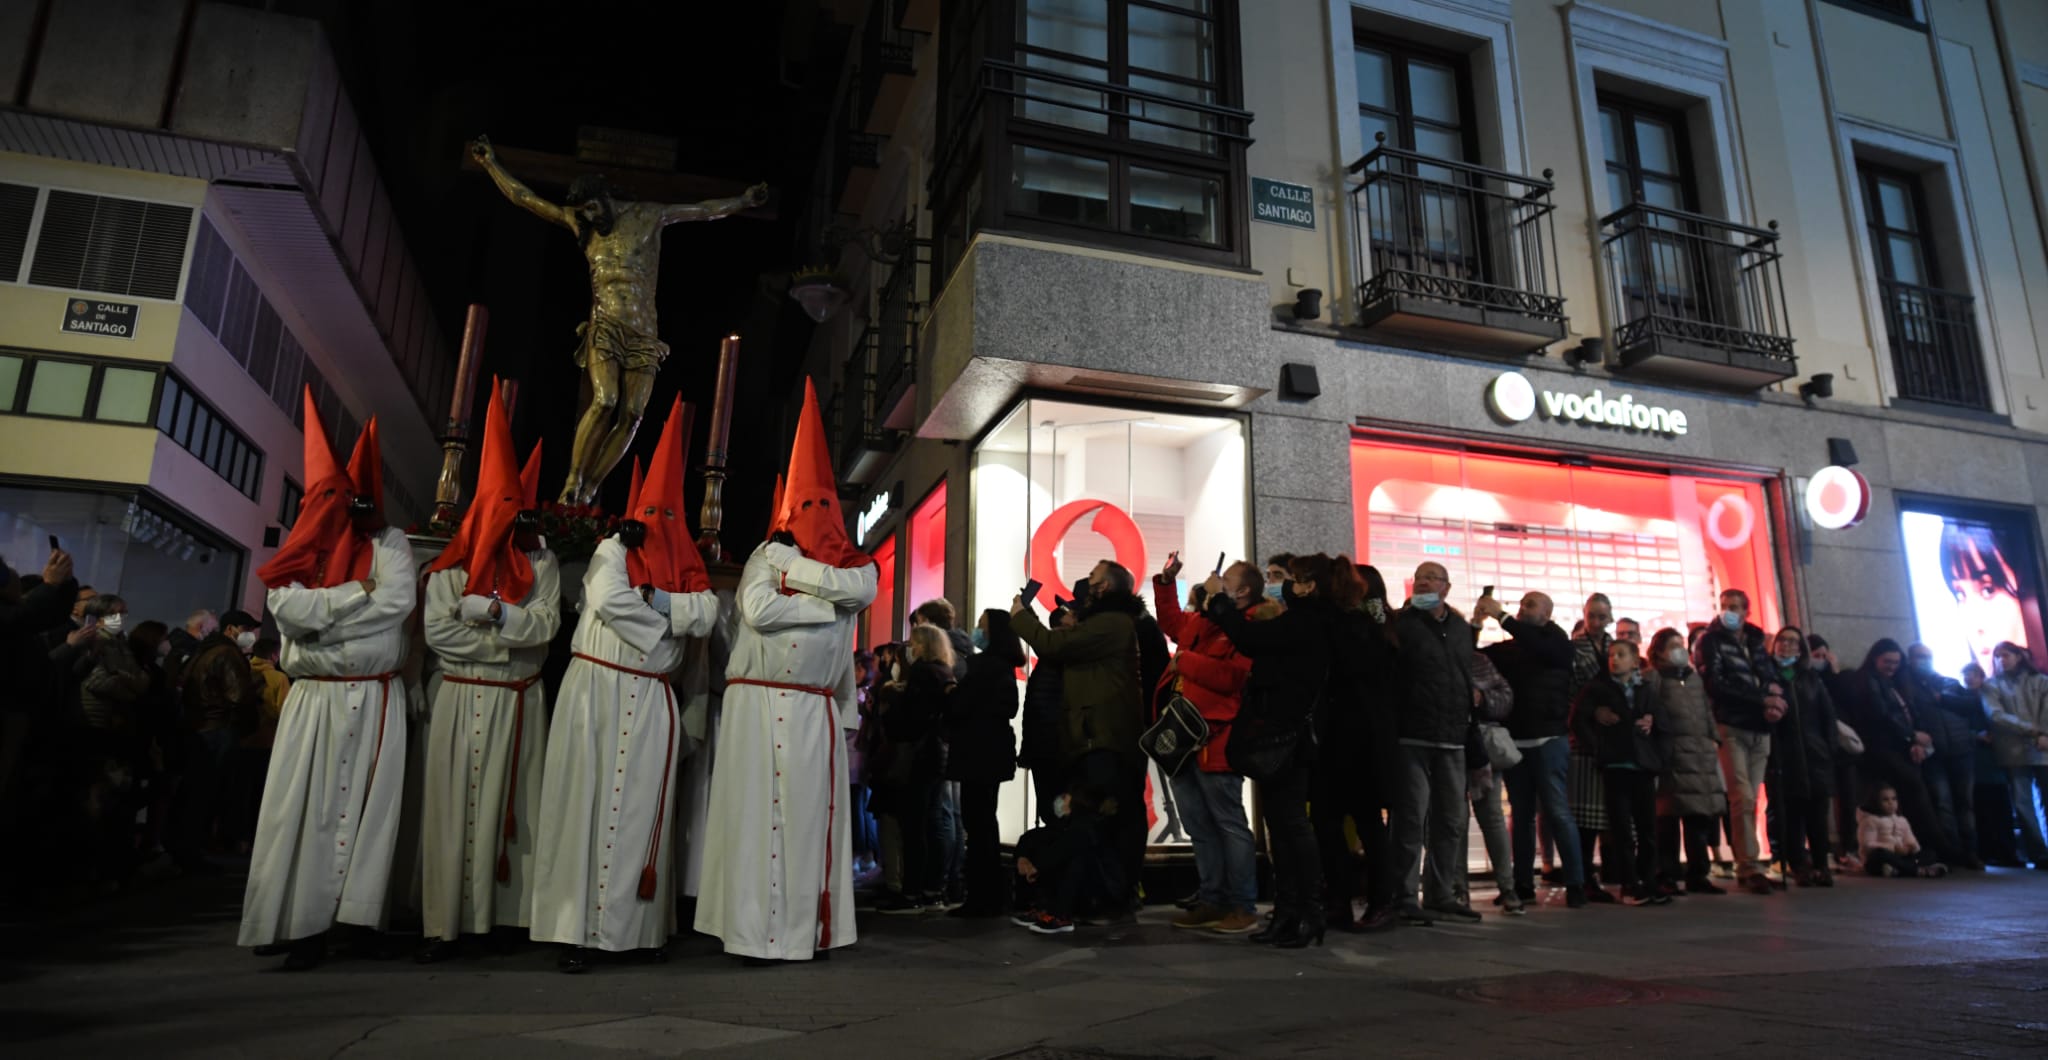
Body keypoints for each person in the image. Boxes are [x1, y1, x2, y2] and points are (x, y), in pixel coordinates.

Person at [697, 381, 877, 964]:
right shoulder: (759, 556)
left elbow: (859, 589)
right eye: (807, 508)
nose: (816, 517)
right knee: (752, 820)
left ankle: (806, 929)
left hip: (812, 711)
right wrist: (825, 601)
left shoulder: (850, 566)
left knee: (804, 824)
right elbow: (758, 609)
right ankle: (748, 931)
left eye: (825, 507)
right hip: (756, 707)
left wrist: (796, 568)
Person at [239, 397, 416, 970]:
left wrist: (327, 611)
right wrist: (355, 594)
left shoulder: (390, 544)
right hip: (314, 701)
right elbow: (287, 611)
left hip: (374, 698)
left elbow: (397, 601)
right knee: (300, 812)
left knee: (369, 812)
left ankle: (357, 922)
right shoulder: (301, 548)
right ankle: (294, 923)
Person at [417, 383, 562, 962]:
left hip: (518, 703)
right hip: (460, 698)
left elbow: (545, 626)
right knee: (449, 810)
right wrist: (508, 639)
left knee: (518, 811)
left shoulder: (543, 563)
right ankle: (442, 922)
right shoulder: (451, 569)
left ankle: (505, 920)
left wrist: (494, 615)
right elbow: (438, 633)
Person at [1203, 553, 1337, 947]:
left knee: (1291, 823)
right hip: (1280, 734)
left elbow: (1250, 640)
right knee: (1280, 825)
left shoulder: (1307, 622)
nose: (1282, 584)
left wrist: (1220, 602)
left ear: (1308, 586)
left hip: (1288, 737)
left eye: (1288, 578)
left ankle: (1308, 912)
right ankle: (1288, 912)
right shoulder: (1302, 620)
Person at [1011, 559, 1147, 923]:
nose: (1085, 587)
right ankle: (1095, 901)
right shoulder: (1107, 624)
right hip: (1094, 740)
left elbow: (1052, 645)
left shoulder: (1112, 624)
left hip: (1104, 742)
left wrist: (1021, 616)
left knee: (1090, 823)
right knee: (1095, 825)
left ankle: (1066, 902)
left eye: (1093, 579)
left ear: (1105, 589)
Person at [1152, 557, 1260, 934]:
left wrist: (1185, 662)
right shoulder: (1204, 622)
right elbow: (1172, 624)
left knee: (1229, 824)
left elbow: (1231, 678)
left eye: (1224, 578)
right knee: (1198, 824)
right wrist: (1166, 584)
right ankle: (1212, 898)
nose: (1213, 580)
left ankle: (1243, 905)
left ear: (1242, 591)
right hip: (1182, 737)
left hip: (1216, 737)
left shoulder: (1248, 628)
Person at [1477, 589, 1588, 908]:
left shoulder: (1557, 643)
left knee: (1556, 811)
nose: (1523, 609)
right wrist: (1474, 623)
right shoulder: (1510, 649)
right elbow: (1475, 656)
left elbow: (1539, 646)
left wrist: (1501, 616)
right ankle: (1522, 883)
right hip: (1517, 741)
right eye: (1521, 605)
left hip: (1549, 739)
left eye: (1531, 605)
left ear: (1547, 614)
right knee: (1522, 813)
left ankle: (1575, 881)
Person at [1386, 561, 1481, 925]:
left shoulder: (1458, 627)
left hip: (1452, 736)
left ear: (1446, 587)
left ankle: (1441, 892)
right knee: (1410, 818)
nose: (1424, 582)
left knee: (1450, 820)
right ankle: (1404, 893)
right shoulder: (1400, 624)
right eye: (1419, 577)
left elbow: (1463, 672)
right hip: (1413, 734)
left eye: (1432, 578)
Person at [1313, 561, 1402, 931]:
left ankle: (1381, 900)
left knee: (1365, 822)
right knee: (1327, 820)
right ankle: (1339, 899)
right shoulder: (1355, 626)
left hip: (1362, 740)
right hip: (1338, 738)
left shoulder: (1372, 630)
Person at [1695, 589, 1785, 896]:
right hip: (1731, 724)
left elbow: (1768, 672)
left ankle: (1751, 865)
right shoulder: (1710, 641)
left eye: (1734, 607)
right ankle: (1748, 865)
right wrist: (1761, 699)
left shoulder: (1757, 639)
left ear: (1747, 611)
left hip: (1760, 728)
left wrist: (1774, 696)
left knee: (1753, 799)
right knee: (1742, 796)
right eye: (1723, 606)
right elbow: (1715, 683)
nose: (1728, 611)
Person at [1841, 638, 1958, 867]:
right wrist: (1912, 737)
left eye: (1896, 662)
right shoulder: (1868, 682)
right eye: (1887, 661)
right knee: (1915, 792)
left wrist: (1914, 741)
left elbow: (1906, 713)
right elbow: (1881, 715)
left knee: (1917, 795)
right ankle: (1938, 847)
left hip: (1900, 746)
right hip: (1882, 747)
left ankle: (1928, 847)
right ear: (1875, 659)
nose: (1892, 667)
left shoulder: (1894, 683)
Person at [1572, 640, 1668, 905]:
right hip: (1615, 766)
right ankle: (1629, 884)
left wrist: (1653, 724)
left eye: (1621, 655)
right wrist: (1599, 747)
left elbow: (1663, 720)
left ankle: (1649, 881)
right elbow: (1578, 719)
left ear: (1635, 661)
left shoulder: (1646, 689)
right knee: (1621, 830)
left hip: (1643, 766)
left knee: (1647, 828)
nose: (1614, 659)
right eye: (1612, 655)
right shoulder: (1597, 689)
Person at [168, 608, 260, 873]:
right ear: (231, 629)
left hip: (199, 727)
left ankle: (183, 848)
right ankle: (191, 852)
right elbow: (238, 696)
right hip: (219, 728)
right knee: (205, 793)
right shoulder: (227, 654)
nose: (250, 635)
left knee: (193, 791)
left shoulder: (205, 651)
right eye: (247, 630)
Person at [870, 625, 953, 914]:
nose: (910, 649)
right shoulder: (944, 671)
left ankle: (911, 892)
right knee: (932, 822)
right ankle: (933, 889)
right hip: (937, 753)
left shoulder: (922, 673)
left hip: (917, 755)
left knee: (913, 824)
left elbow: (910, 717)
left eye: (915, 644)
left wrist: (893, 706)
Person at [946, 609, 1022, 918]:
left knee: (976, 824)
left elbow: (959, 706)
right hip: (993, 751)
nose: (975, 628)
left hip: (975, 751)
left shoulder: (980, 667)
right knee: (985, 822)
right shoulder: (1004, 667)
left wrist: (951, 694)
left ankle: (981, 896)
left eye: (980, 624)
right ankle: (989, 894)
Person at [1645, 628, 1727, 894]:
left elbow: (1705, 710)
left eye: (1681, 644)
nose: (1679, 650)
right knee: (1667, 817)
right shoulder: (1654, 678)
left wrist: (1712, 738)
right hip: (1671, 754)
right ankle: (1666, 873)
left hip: (1699, 754)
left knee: (1698, 818)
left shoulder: (1693, 678)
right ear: (1659, 651)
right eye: (1672, 646)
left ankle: (1698, 873)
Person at [1769, 626, 1839, 886]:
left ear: (1801, 649)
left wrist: (1828, 748)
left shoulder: (1810, 678)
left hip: (1814, 754)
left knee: (1817, 814)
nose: (1786, 646)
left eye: (1793, 642)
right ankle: (1798, 864)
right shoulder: (1768, 676)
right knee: (1791, 815)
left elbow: (1827, 716)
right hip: (1784, 755)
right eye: (1782, 640)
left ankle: (1822, 863)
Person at [909, 598, 969, 904]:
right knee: (952, 815)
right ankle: (951, 882)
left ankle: (942, 882)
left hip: (941, 743)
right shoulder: (962, 651)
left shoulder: (944, 661)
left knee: (943, 814)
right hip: (954, 743)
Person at [1904, 642, 1982, 869]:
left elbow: (1971, 704)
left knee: (1965, 804)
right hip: (1935, 754)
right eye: (1920, 657)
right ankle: (1953, 852)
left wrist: (1943, 698)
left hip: (1961, 751)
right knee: (1943, 803)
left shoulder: (1947, 682)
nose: (1924, 661)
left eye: (1927, 657)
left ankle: (1971, 851)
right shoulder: (1908, 688)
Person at [1566, 593, 1617, 902]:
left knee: (1607, 814)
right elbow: (1569, 692)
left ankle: (1609, 871)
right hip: (1583, 738)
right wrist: (1588, 713)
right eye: (1592, 615)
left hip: (1613, 739)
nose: (1597, 621)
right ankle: (1583, 874)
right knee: (1584, 816)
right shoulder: (1574, 649)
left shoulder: (1616, 648)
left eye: (1602, 615)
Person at [1981, 642, 2048, 869]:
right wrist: (2032, 730)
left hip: (2042, 746)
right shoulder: (1991, 686)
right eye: (1997, 656)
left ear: (2019, 656)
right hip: (2013, 751)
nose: (2001, 660)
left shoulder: (2040, 681)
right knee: (2022, 804)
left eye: (2006, 655)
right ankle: (2039, 853)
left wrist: (2044, 733)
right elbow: (1995, 715)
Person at [1465, 648, 1521, 914]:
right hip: (1460, 744)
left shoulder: (1477, 661)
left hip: (1479, 745)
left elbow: (1504, 697)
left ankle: (1506, 887)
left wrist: (1481, 698)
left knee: (1490, 818)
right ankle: (1457, 889)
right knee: (1455, 821)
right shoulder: (1473, 660)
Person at [1016, 606, 1073, 826]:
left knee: (1055, 809)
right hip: (1049, 744)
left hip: (1050, 745)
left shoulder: (1059, 652)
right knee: (1054, 808)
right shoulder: (1058, 652)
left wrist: (1026, 615)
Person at [1857, 784, 1948, 878]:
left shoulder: (1902, 821)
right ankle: (1916, 870)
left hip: (1901, 857)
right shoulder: (1869, 821)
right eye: (1885, 800)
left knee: (1930, 854)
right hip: (1882, 858)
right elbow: (1867, 845)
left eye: (1894, 799)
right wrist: (1893, 848)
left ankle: (1899, 870)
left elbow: (1912, 842)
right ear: (1875, 802)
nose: (1891, 803)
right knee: (1879, 854)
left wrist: (1910, 847)